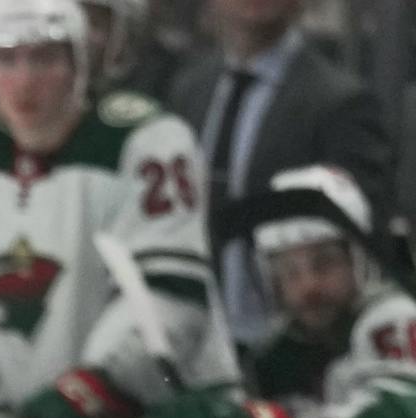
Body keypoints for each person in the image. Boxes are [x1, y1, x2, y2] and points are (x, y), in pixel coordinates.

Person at [0, 0, 238, 418]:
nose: (25, 80)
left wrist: (100, 383)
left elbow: (170, 294)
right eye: (5, 59)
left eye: (45, 58)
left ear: (79, 64)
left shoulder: (147, 140)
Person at [141, 165, 416, 418]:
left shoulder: (393, 319)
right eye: (289, 271)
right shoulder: (274, 354)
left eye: (325, 263)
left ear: (359, 261)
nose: (308, 285)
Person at [167, 0, 394, 349]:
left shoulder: (340, 102)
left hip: (293, 346)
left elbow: (363, 236)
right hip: (196, 339)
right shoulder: (189, 90)